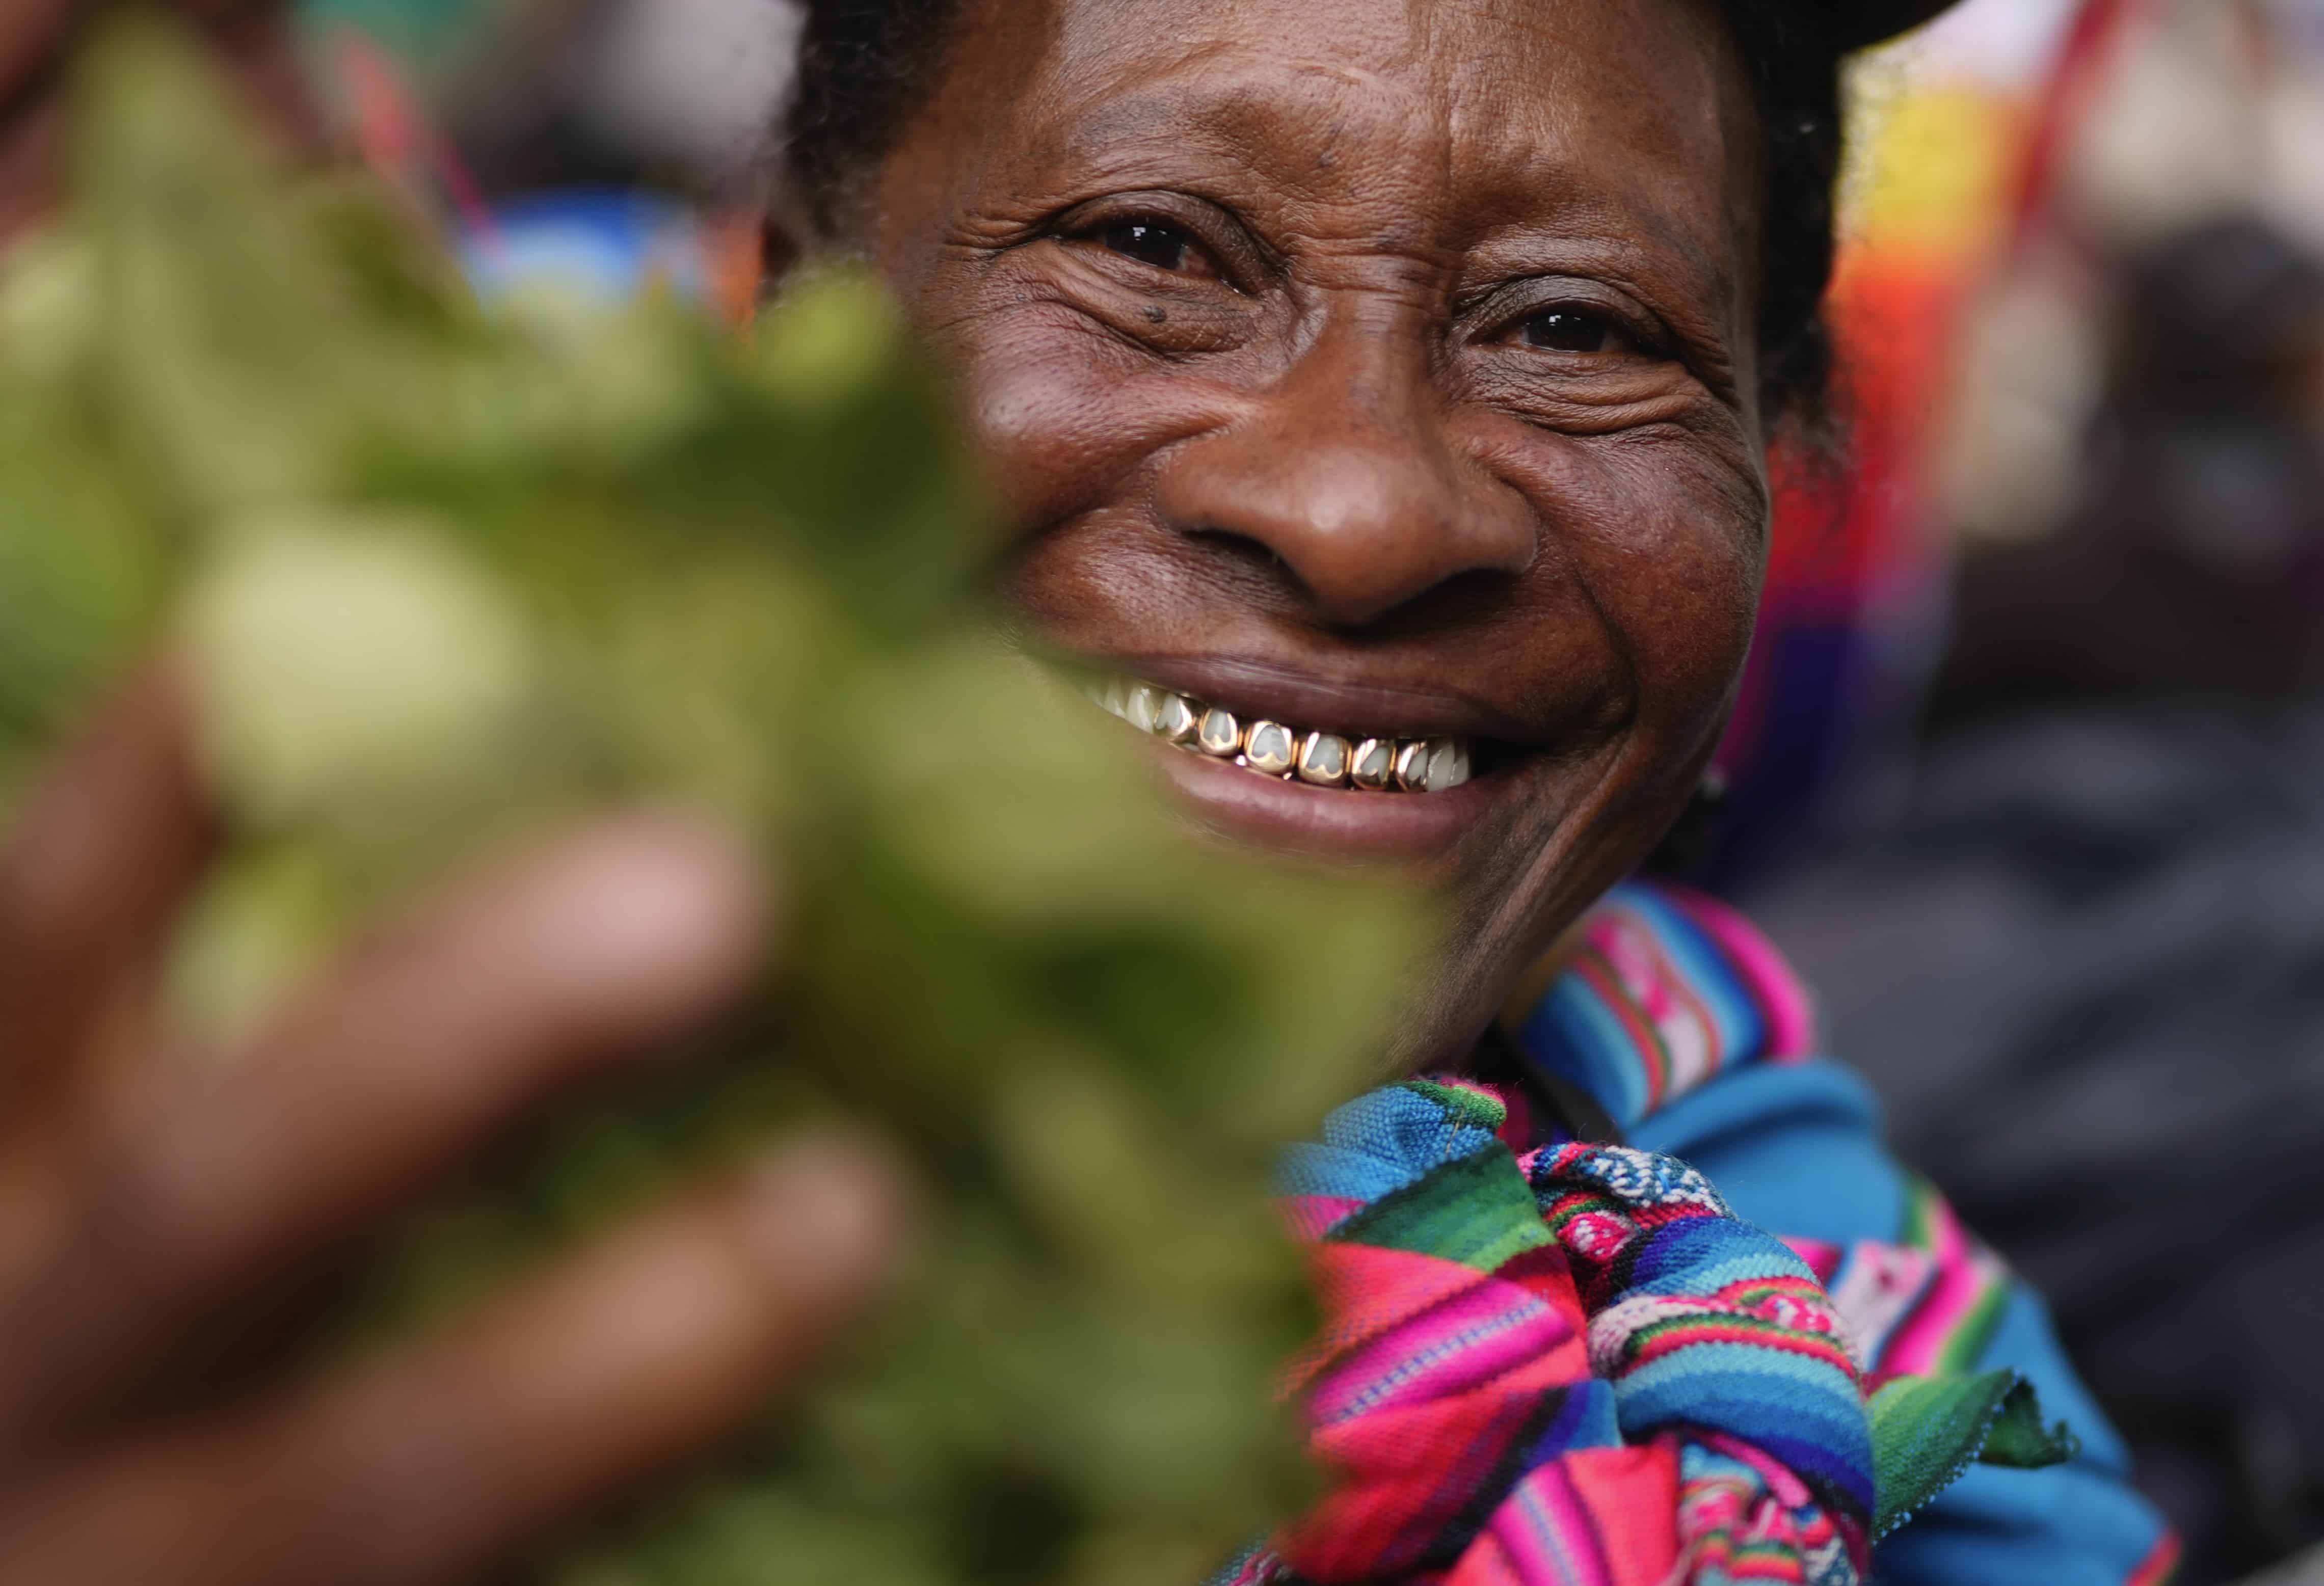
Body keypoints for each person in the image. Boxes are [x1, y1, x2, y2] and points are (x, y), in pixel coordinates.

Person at [0, 0, 2178, 1580]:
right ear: (797, 336)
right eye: (1150, 248)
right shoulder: (291, 1174)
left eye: (1575, 328)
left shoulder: (1799, 1236)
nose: (1354, 506)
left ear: (1777, 475)